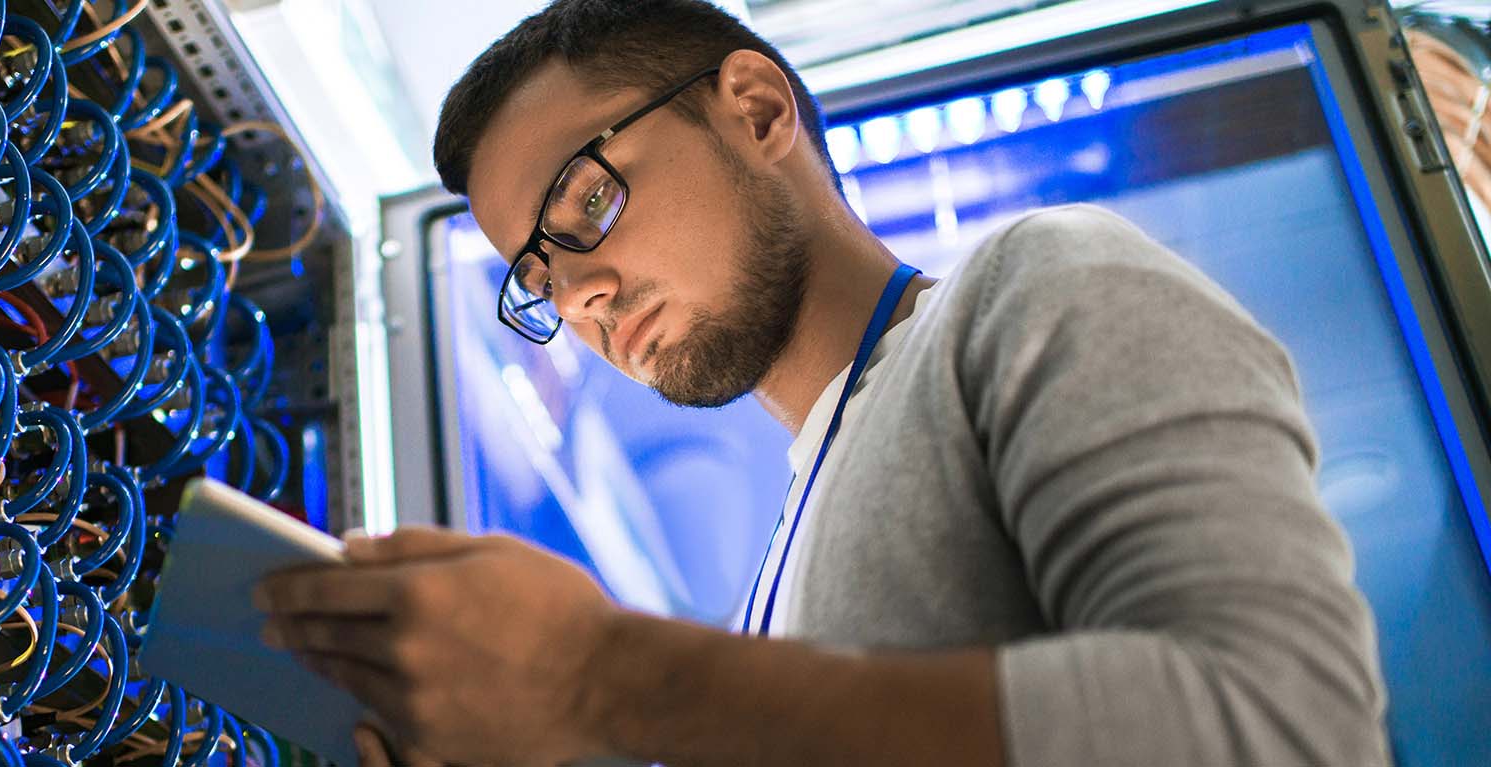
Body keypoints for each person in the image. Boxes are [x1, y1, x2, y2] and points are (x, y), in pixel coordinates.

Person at [253, 1, 1391, 764]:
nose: (581, 295)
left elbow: (1279, 724)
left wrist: (598, 671)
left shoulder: (1036, 284)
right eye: (537, 276)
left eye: (587, 201)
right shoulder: (770, 585)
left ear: (755, 111)